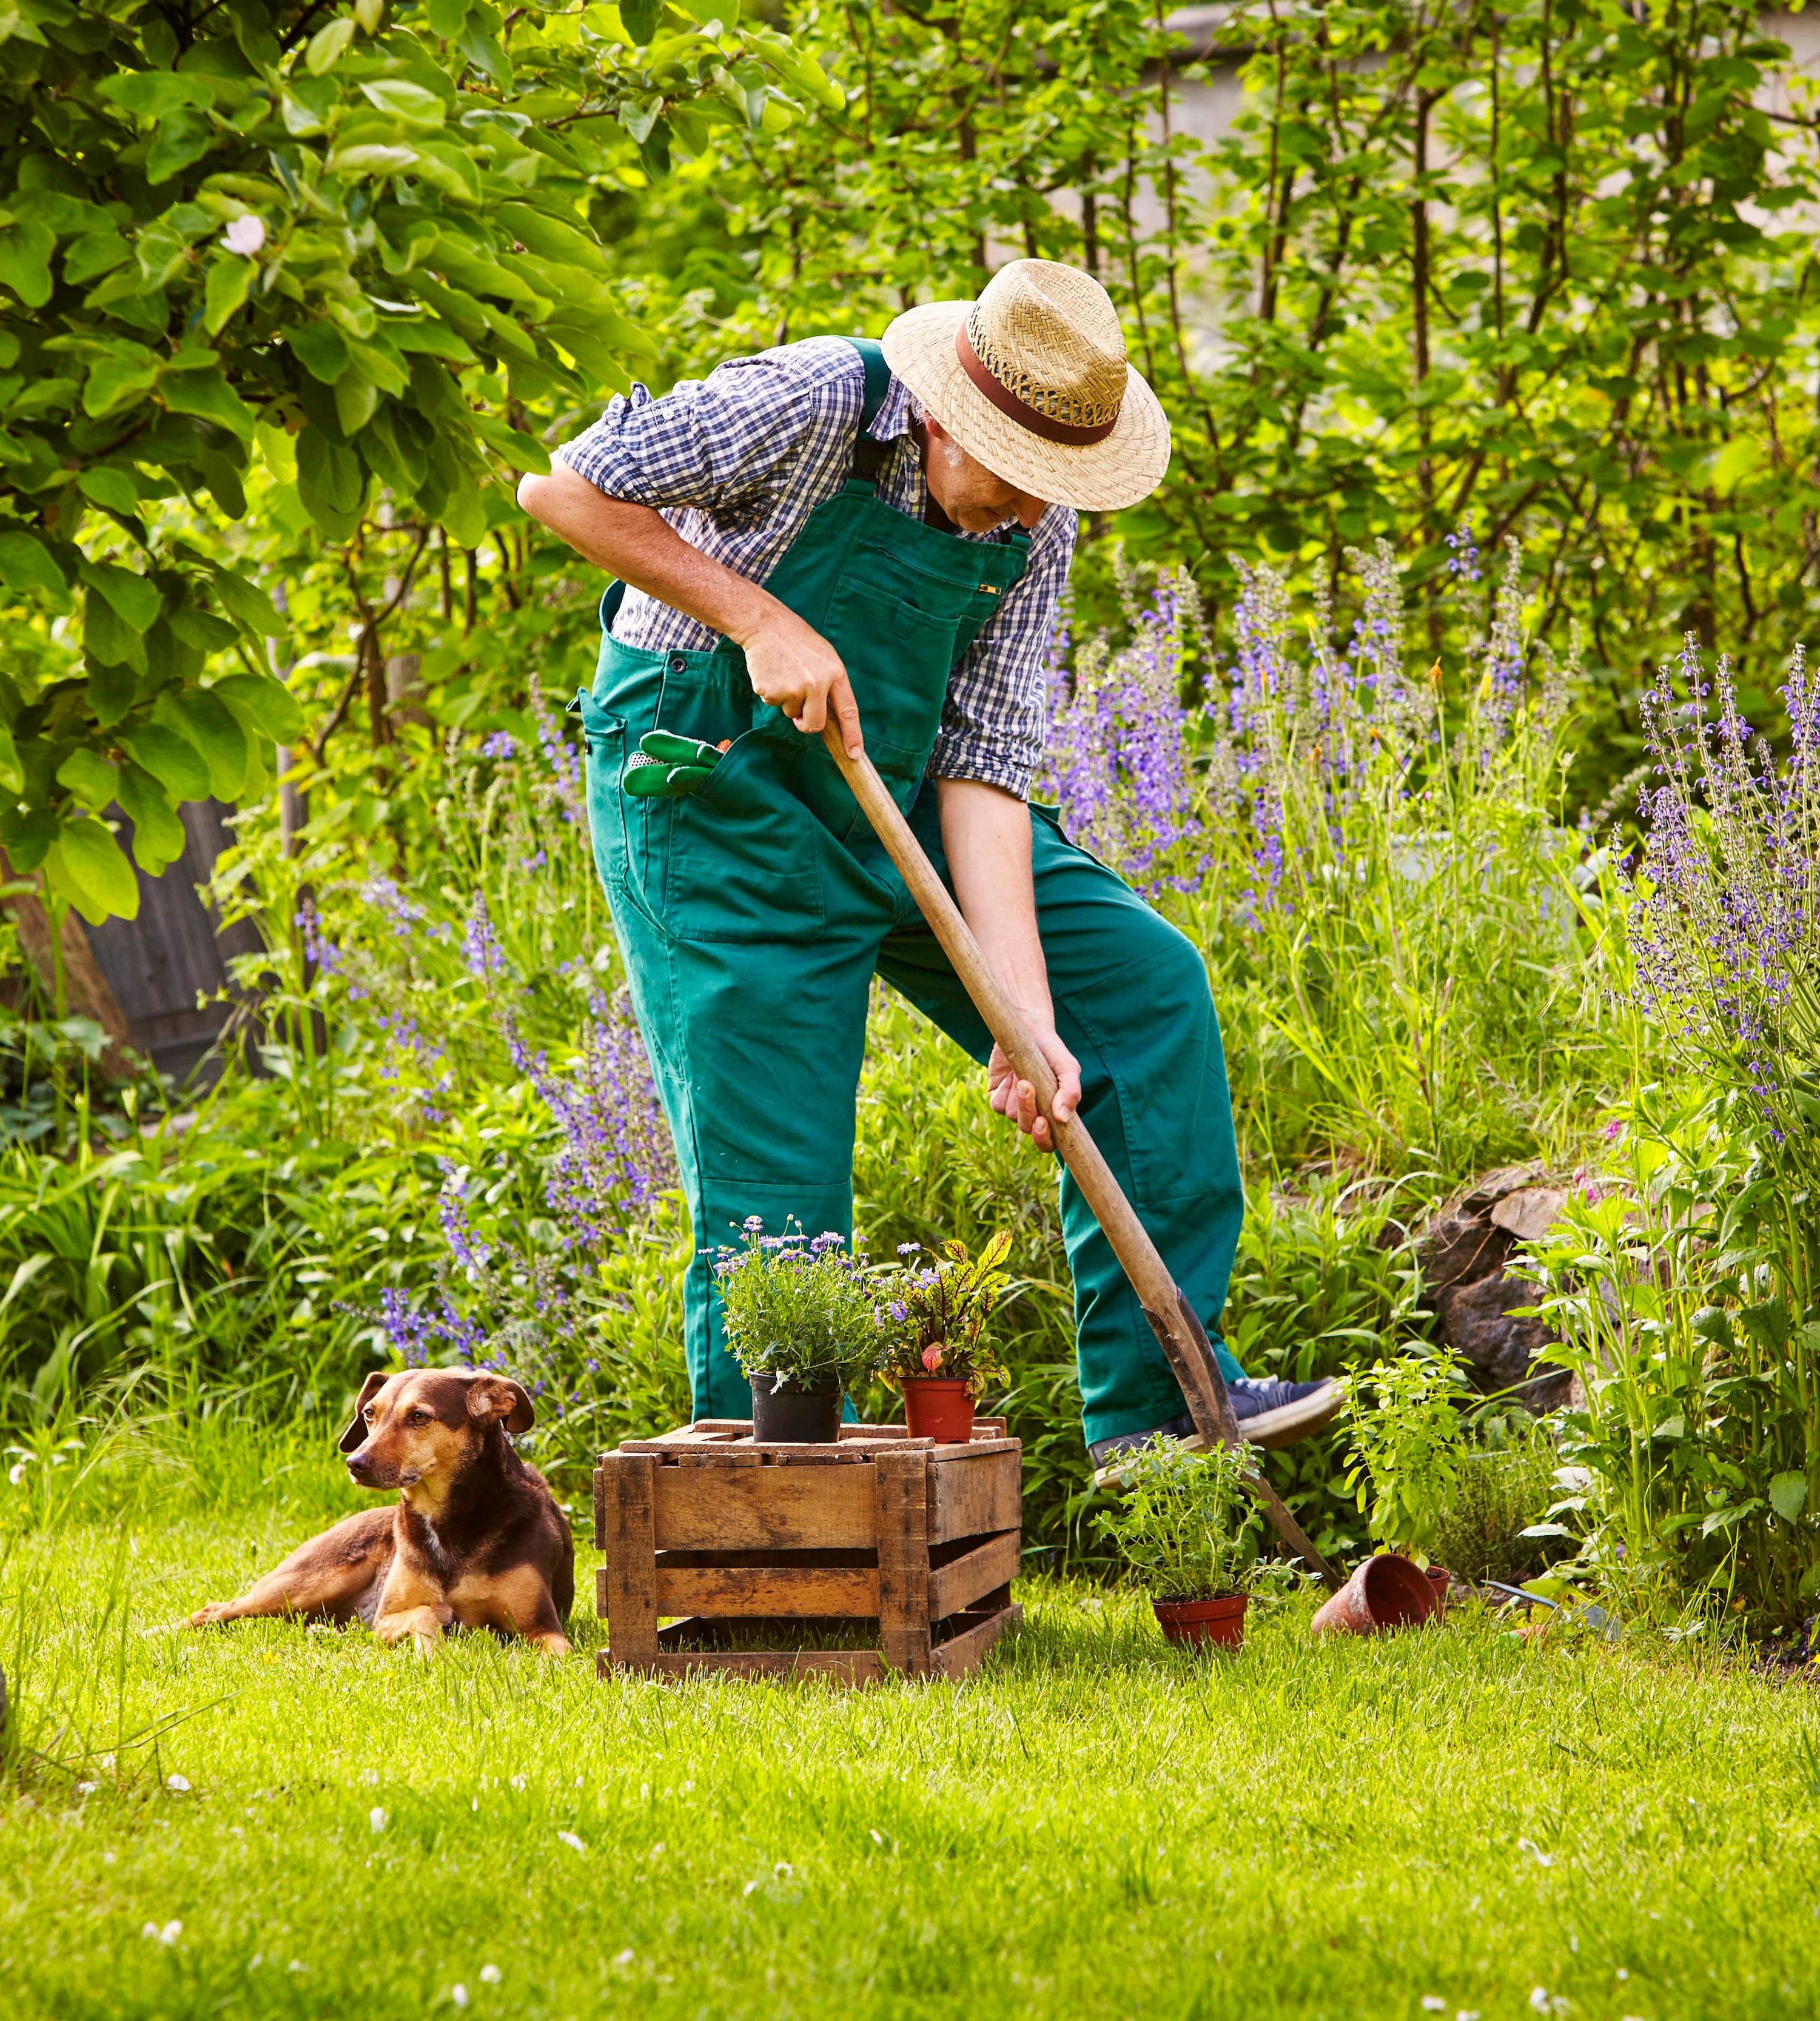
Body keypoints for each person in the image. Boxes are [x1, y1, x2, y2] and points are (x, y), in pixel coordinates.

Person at [516, 258, 1337, 1466]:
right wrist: (758, 619)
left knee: (1137, 996)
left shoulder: (1031, 521)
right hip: (716, 799)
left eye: (1053, 486)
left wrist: (1023, 1017)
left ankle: (1161, 1413)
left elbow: (985, 765)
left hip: (895, 784)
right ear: (947, 417)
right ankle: (775, 1511)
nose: (1029, 513)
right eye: (1014, 476)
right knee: (778, 1199)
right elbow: (565, 486)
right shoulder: (812, 401)